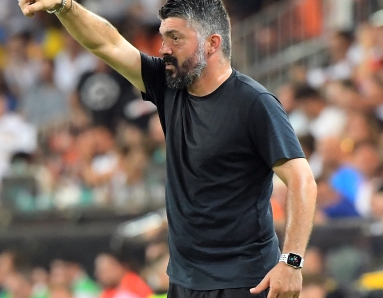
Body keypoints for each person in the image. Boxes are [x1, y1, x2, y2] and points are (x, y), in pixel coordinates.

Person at [18, 1, 317, 298]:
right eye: (163, 37)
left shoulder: (255, 103)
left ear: (212, 43)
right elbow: (107, 44)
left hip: (244, 281)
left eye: (175, 38)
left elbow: (302, 180)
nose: (163, 49)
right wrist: (65, 7)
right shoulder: (168, 85)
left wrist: (291, 262)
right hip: (184, 280)